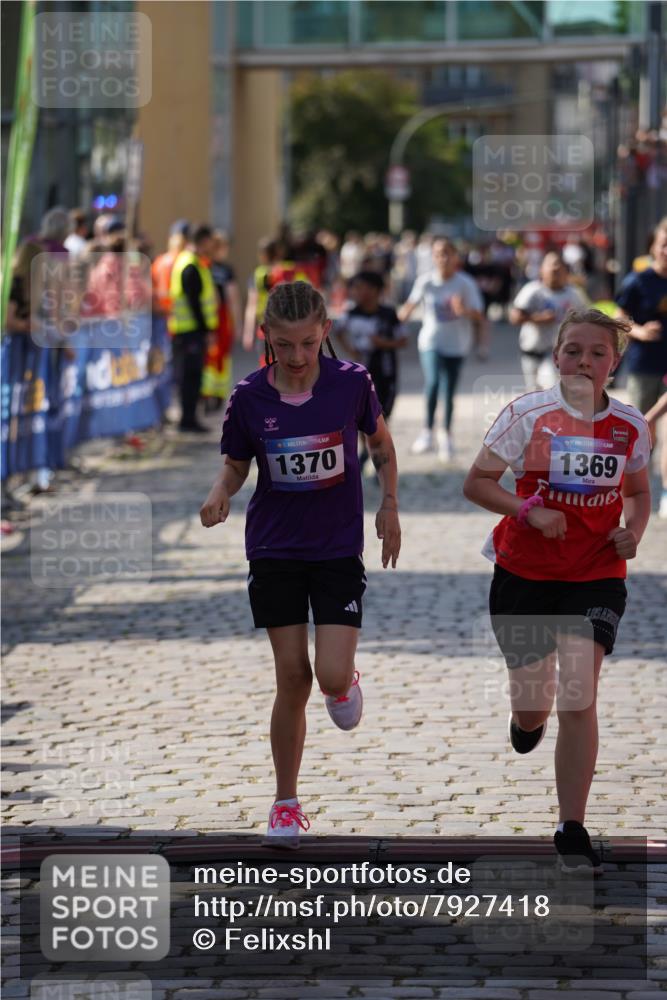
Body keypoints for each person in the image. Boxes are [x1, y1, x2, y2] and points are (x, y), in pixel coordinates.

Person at [200, 281, 401, 847]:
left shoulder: (351, 384)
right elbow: (236, 465)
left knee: (330, 676)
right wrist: (221, 493)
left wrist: (389, 506)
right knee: (292, 676)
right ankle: (285, 802)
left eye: (307, 344)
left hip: (337, 546)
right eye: (283, 345)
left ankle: (344, 685)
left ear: (324, 335)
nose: (295, 357)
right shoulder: (247, 398)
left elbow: (381, 447)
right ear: (265, 336)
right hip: (275, 547)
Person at [463, 308, 651, 873]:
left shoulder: (629, 426)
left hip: (595, 574)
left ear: (613, 364)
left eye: (597, 353)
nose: (584, 361)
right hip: (524, 574)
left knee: (580, 692)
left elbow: (639, 491)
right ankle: (527, 722)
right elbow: (476, 482)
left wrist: (633, 532)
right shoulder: (528, 414)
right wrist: (528, 510)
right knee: (533, 701)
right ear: (556, 356)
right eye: (574, 350)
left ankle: (572, 826)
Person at [399, 238, 484, 461]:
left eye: (447, 253)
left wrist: (463, 310)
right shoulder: (425, 281)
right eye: (438, 254)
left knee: (449, 391)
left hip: (457, 344)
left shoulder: (465, 283)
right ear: (433, 257)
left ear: (455, 256)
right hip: (431, 341)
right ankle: (427, 432)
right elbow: (409, 305)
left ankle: (446, 435)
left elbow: (478, 314)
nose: (443, 258)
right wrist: (398, 319)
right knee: (433, 383)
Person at [615, 218, 667, 516]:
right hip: (643, 365)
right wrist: (640, 332)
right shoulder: (637, 281)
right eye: (664, 244)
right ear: (653, 247)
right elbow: (619, 317)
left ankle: (665, 494)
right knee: (642, 431)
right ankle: (637, 490)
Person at [336, 270, 407, 470]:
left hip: (386, 372)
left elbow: (403, 340)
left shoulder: (388, 314)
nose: (357, 292)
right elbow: (337, 331)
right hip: (361, 375)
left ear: (376, 291)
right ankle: (367, 452)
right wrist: (350, 350)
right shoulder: (350, 313)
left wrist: (383, 343)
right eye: (355, 288)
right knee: (360, 415)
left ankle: (379, 459)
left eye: (362, 288)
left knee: (383, 417)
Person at [510, 251, 588, 391]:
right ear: (542, 270)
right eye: (550, 266)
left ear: (566, 271)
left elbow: (587, 319)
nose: (555, 269)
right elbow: (514, 317)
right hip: (531, 350)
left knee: (551, 386)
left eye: (559, 267)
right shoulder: (533, 290)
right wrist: (537, 318)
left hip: (557, 353)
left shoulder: (574, 294)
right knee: (533, 392)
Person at [168, 224, 218, 432]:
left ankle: (189, 418)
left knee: (191, 376)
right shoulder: (190, 265)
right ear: (203, 241)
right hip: (189, 332)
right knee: (190, 376)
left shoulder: (193, 262)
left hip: (188, 331)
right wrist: (206, 330)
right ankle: (187, 420)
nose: (212, 246)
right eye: (210, 242)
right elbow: (194, 302)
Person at [201, 231, 241, 412]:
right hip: (221, 316)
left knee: (212, 355)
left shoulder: (204, 265)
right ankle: (215, 393)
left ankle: (208, 392)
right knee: (220, 355)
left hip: (209, 315)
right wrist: (237, 322)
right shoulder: (224, 270)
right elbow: (233, 297)